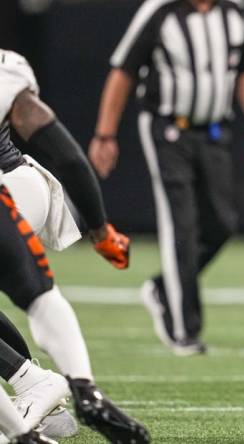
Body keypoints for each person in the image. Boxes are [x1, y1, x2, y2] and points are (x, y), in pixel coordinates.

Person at [90, 0, 244, 355]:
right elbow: (123, 71)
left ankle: (162, 288)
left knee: (222, 224)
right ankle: (183, 329)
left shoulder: (234, 11)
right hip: (166, 128)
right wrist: (105, 134)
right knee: (182, 223)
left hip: (215, 132)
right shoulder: (159, 10)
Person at [0, 48, 149, 443]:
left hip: (9, 187)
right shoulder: (5, 68)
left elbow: (67, 156)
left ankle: (30, 398)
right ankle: (76, 391)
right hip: (20, 189)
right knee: (40, 296)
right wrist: (100, 232)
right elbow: (66, 156)